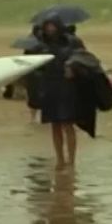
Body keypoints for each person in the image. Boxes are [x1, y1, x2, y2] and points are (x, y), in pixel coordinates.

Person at [29, 17, 86, 168]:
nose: (50, 30)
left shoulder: (72, 42)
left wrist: (73, 69)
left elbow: (85, 59)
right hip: (50, 88)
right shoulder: (41, 46)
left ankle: (71, 160)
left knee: (68, 124)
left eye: (52, 26)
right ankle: (60, 159)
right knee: (55, 126)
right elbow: (35, 67)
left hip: (68, 87)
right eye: (47, 27)